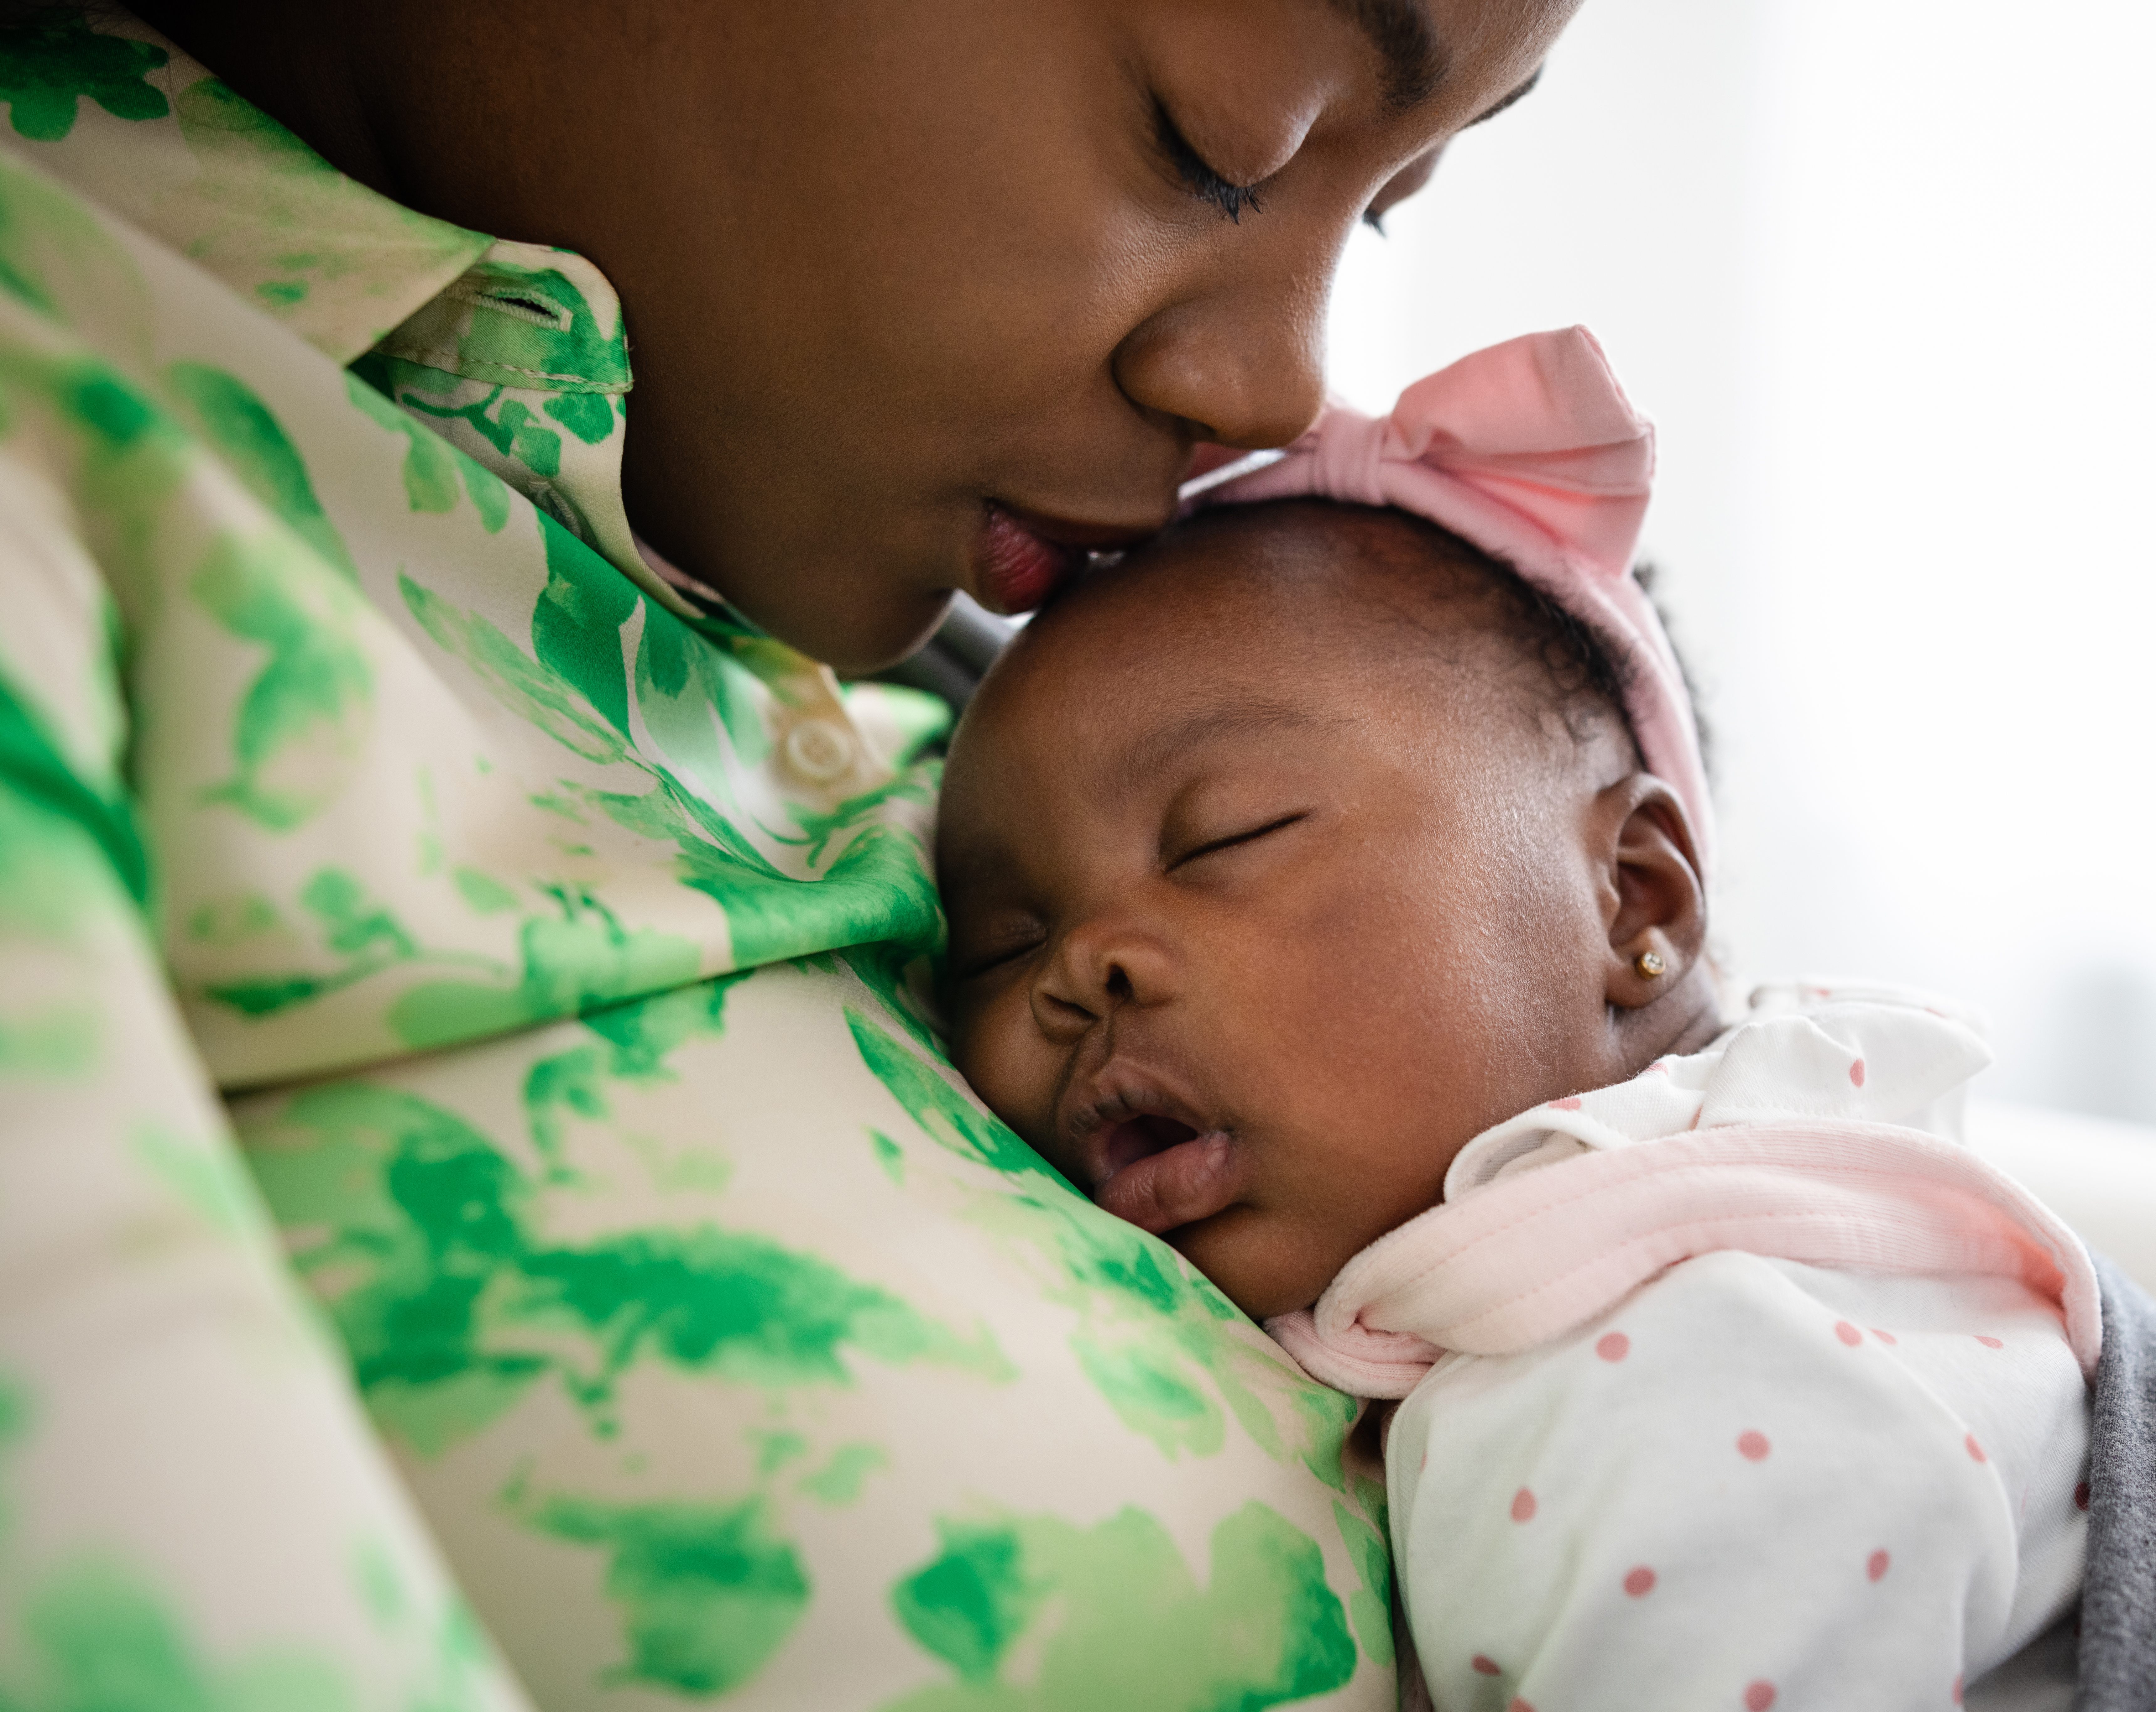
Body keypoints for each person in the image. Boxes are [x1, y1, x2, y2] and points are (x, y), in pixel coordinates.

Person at [0, 2, 1580, 1705]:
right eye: (1222, 146)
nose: (1274, 393)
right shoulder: (65, 425)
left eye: (1390, 206)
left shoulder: (953, 708)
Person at [935, 330, 2156, 1711]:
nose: (1084, 967)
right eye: (1002, 943)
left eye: (1221, 837)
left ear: (1632, 900)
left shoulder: (1683, 1332)